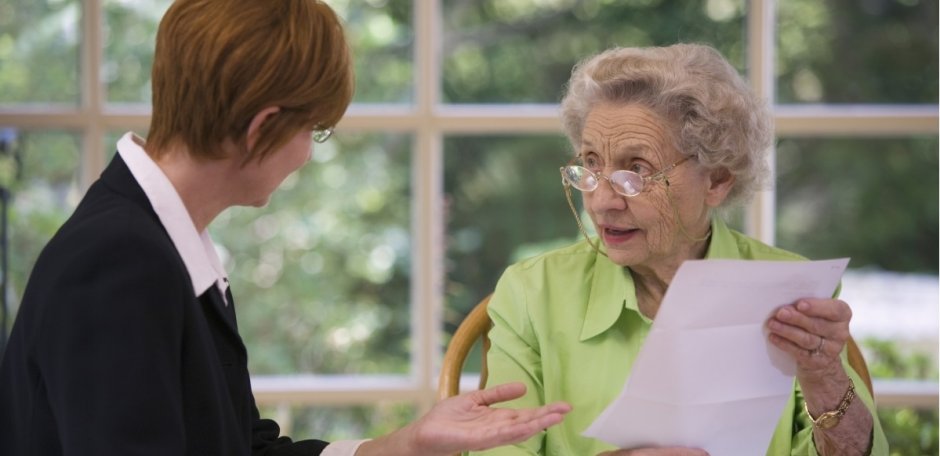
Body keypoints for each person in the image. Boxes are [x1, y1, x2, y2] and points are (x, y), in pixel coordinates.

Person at [0, 0, 572, 455]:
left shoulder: (161, 242)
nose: (307, 154)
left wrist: (402, 446)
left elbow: (242, 448)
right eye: (315, 130)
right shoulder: (122, 259)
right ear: (262, 128)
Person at [470, 44, 887, 456]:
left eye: (636, 170)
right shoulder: (532, 293)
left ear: (717, 180)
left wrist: (825, 376)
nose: (601, 201)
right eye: (592, 164)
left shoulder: (791, 290)